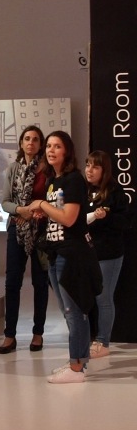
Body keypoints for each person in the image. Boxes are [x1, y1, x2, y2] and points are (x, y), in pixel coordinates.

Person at [26, 131, 102, 383]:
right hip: (55, 250)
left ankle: (76, 367)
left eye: (57, 146)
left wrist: (42, 205)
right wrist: (46, 212)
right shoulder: (53, 180)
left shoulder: (73, 180)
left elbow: (69, 218)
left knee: (74, 310)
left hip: (71, 253)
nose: (51, 150)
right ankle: (78, 362)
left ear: (67, 151)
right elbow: (59, 213)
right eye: (48, 146)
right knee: (69, 310)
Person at [0, 126, 50, 354]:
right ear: (21, 143)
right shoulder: (13, 168)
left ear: (40, 144)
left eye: (35, 139)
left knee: (40, 282)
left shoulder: (47, 169)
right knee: (12, 283)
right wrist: (21, 210)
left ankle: (38, 334)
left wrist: (36, 212)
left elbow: (52, 201)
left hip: (41, 230)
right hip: (16, 228)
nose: (31, 143)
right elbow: (5, 202)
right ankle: (9, 335)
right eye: (27, 139)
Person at [84, 150, 130, 359]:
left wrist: (106, 217)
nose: (89, 170)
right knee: (88, 297)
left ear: (105, 170)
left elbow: (126, 222)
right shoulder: (84, 190)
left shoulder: (115, 192)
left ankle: (103, 342)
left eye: (95, 167)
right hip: (88, 252)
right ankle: (89, 337)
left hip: (109, 253)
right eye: (88, 165)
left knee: (104, 297)